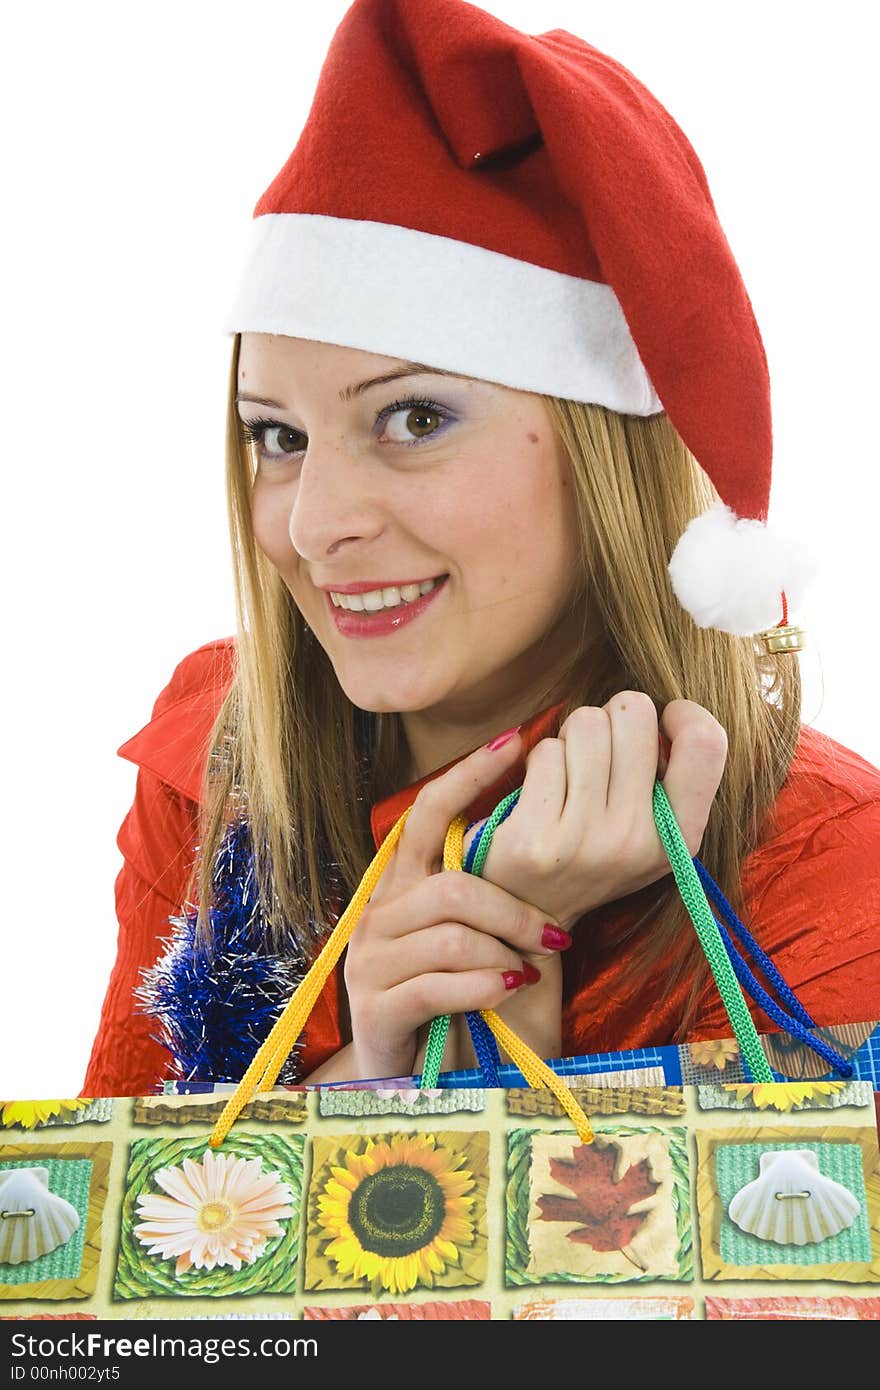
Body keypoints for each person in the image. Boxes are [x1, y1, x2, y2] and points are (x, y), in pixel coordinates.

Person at [81, 0, 880, 1098]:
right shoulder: (223, 764)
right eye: (277, 434)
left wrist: (508, 1046)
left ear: (602, 456)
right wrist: (375, 1070)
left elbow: (813, 1257)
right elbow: (106, 1244)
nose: (313, 526)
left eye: (413, 419)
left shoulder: (826, 861)